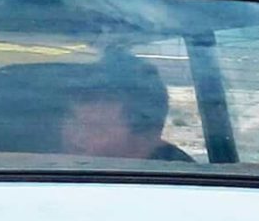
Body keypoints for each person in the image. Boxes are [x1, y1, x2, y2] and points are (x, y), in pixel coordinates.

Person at [60, 57, 193, 162]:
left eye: (94, 128)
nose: (75, 139)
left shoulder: (181, 187)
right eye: (72, 122)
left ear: (146, 136)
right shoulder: (56, 172)